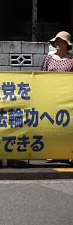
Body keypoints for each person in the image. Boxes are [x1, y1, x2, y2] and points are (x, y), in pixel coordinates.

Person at [41, 31, 73, 165]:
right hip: (51, 96)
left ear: (67, 44)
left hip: (68, 97)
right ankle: (52, 152)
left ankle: (70, 152)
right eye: (56, 41)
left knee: (68, 125)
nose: (58, 43)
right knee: (52, 124)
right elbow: (41, 75)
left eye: (61, 41)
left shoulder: (72, 60)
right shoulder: (48, 59)